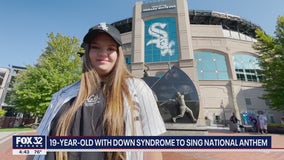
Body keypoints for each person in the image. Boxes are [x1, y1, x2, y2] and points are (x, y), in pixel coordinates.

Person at [33, 22, 166, 160]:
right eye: (96, 47)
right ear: (87, 52)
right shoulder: (62, 96)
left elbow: (152, 147)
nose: (103, 54)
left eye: (110, 48)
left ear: (118, 54)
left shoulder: (138, 89)